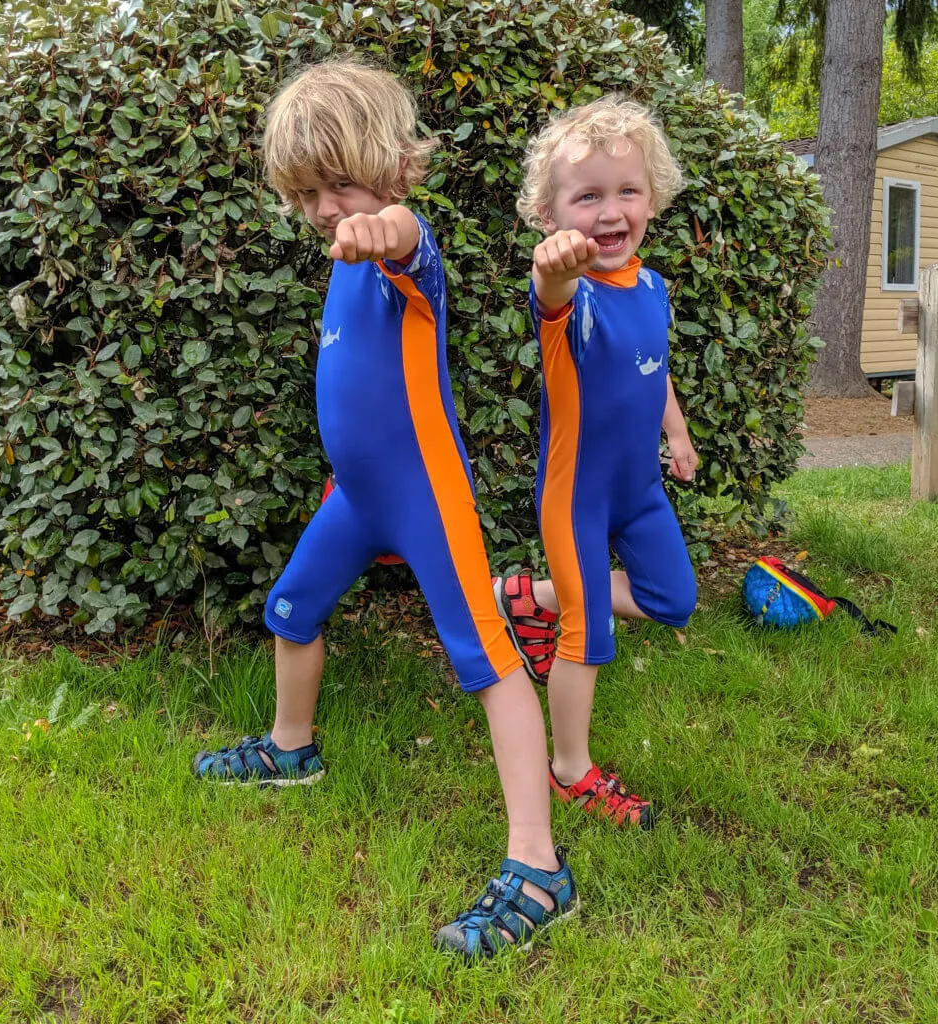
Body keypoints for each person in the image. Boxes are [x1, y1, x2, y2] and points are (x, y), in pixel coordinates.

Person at [191, 58, 577, 959]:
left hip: (425, 494)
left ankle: (537, 866)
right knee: (290, 608)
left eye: (344, 183)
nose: (329, 208)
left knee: (484, 653)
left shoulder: (407, 245)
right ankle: (293, 748)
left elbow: (399, 232)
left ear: (395, 167)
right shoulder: (339, 264)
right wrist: (351, 233)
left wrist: (381, 228)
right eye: (309, 193)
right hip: (357, 498)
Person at [496, 97, 699, 829]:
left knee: (673, 598)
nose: (610, 212)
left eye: (626, 191)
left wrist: (675, 432)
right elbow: (550, 290)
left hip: (638, 490)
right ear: (549, 215)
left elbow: (655, 368)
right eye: (587, 197)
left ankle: (532, 597)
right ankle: (570, 769)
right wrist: (552, 269)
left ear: (652, 197)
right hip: (574, 495)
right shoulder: (570, 299)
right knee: (590, 636)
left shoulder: (651, 287)